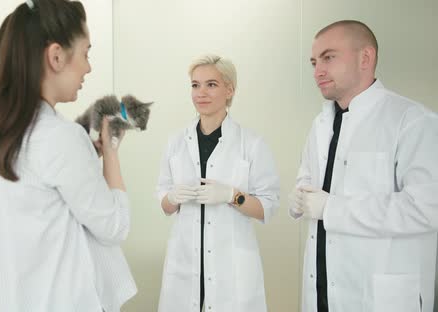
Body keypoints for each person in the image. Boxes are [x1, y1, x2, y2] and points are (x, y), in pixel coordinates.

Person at [0, 0, 135, 311]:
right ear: (56, 56)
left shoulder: (1, 132)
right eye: (86, 53)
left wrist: (87, 158)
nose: (88, 67)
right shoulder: (60, 136)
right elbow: (115, 225)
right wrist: (111, 152)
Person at [289, 20, 438, 312]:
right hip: (321, 289)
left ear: (365, 58)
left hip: (380, 296)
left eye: (329, 57)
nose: (318, 71)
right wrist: (300, 197)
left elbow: (427, 208)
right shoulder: (320, 125)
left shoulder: (412, 121)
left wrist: (332, 209)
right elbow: (308, 178)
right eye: (314, 61)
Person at [156, 54, 280, 311]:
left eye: (211, 84)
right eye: (195, 85)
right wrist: (172, 197)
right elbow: (164, 204)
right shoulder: (176, 143)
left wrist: (232, 195)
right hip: (185, 264)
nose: (201, 92)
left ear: (229, 89)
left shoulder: (252, 144)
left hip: (231, 269)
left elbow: (268, 207)